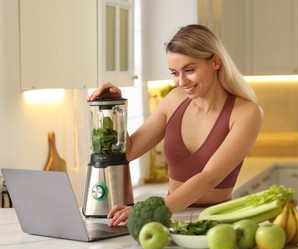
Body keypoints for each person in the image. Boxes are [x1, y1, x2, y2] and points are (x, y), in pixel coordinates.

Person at [88, 24, 264, 227]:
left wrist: (153, 210)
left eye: (189, 70)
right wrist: (114, 107)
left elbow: (209, 178)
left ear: (215, 62)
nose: (181, 81)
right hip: (169, 215)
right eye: (174, 72)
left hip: (215, 220)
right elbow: (129, 151)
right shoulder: (174, 100)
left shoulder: (246, 112)